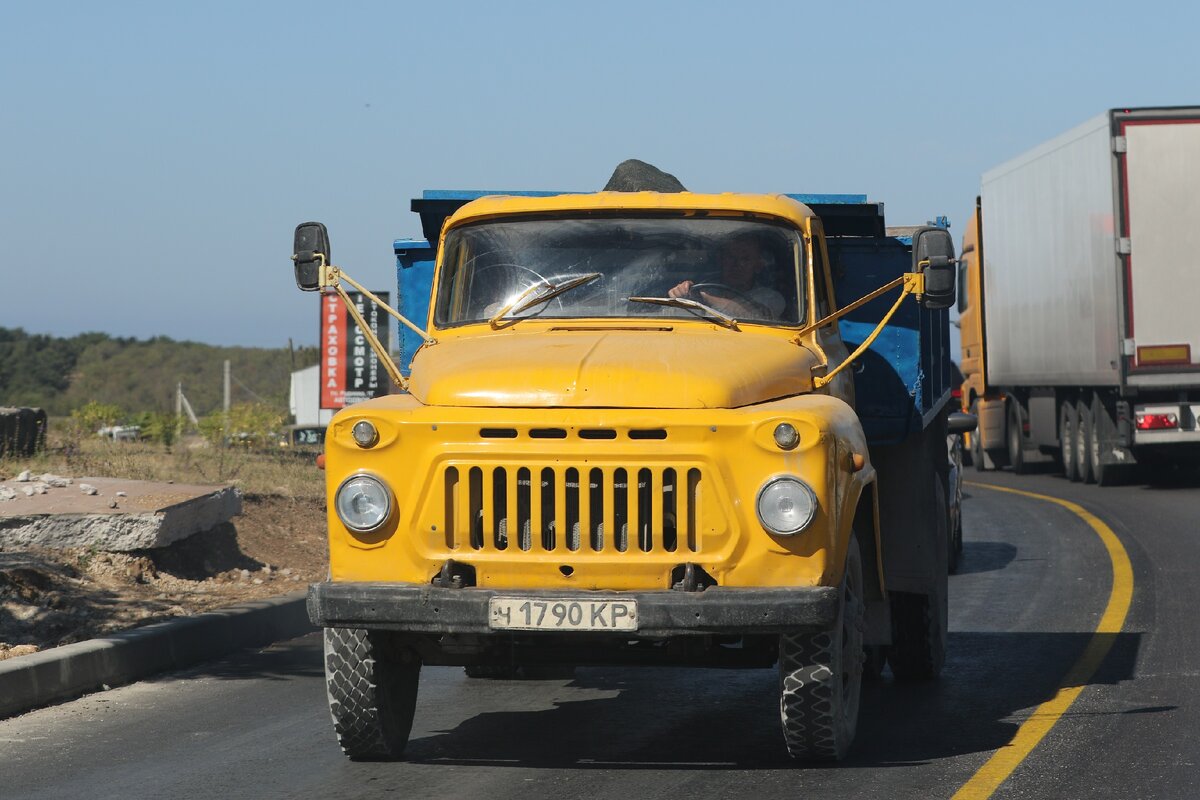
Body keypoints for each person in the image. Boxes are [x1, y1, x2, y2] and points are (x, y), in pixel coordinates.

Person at [668, 235, 785, 319]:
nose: (736, 265)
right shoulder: (706, 289)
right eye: (730, 257)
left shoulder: (771, 297)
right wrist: (681, 292)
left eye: (745, 259)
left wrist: (703, 297)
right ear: (721, 260)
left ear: (758, 265)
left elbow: (754, 316)